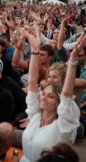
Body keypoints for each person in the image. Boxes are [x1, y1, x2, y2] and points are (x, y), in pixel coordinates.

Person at [20, 29, 83, 162]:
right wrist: (35, 50)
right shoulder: (36, 114)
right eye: (44, 94)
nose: (43, 97)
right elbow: (32, 83)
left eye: (50, 96)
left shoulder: (62, 123)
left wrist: (73, 59)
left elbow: (66, 95)